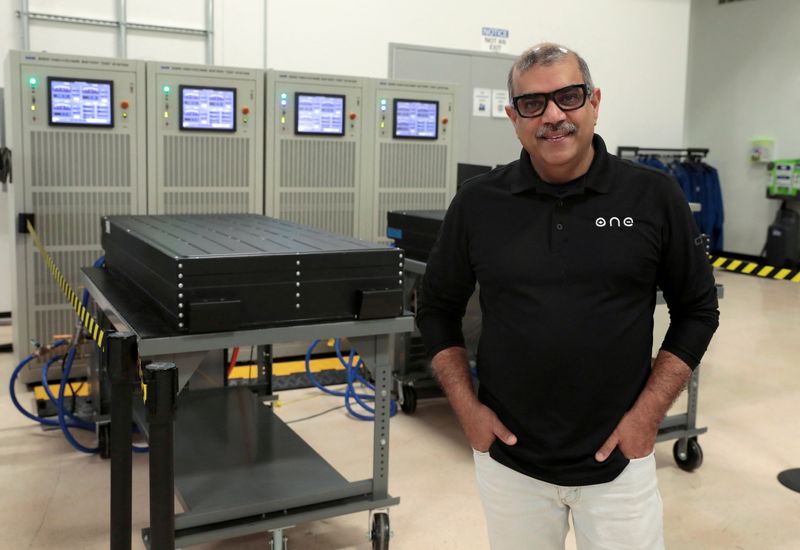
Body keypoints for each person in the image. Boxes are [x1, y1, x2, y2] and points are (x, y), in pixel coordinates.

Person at [416, 43, 720, 550]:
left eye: (569, 97)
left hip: (620, 461)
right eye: (533, 104)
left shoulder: (652, 196)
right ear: (514, 118)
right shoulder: (478, 202)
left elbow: (697, 310)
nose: (553, 115)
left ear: (594, 102)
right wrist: (468, 411)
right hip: (510, 465)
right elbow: (436, 309)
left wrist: (646, 418)